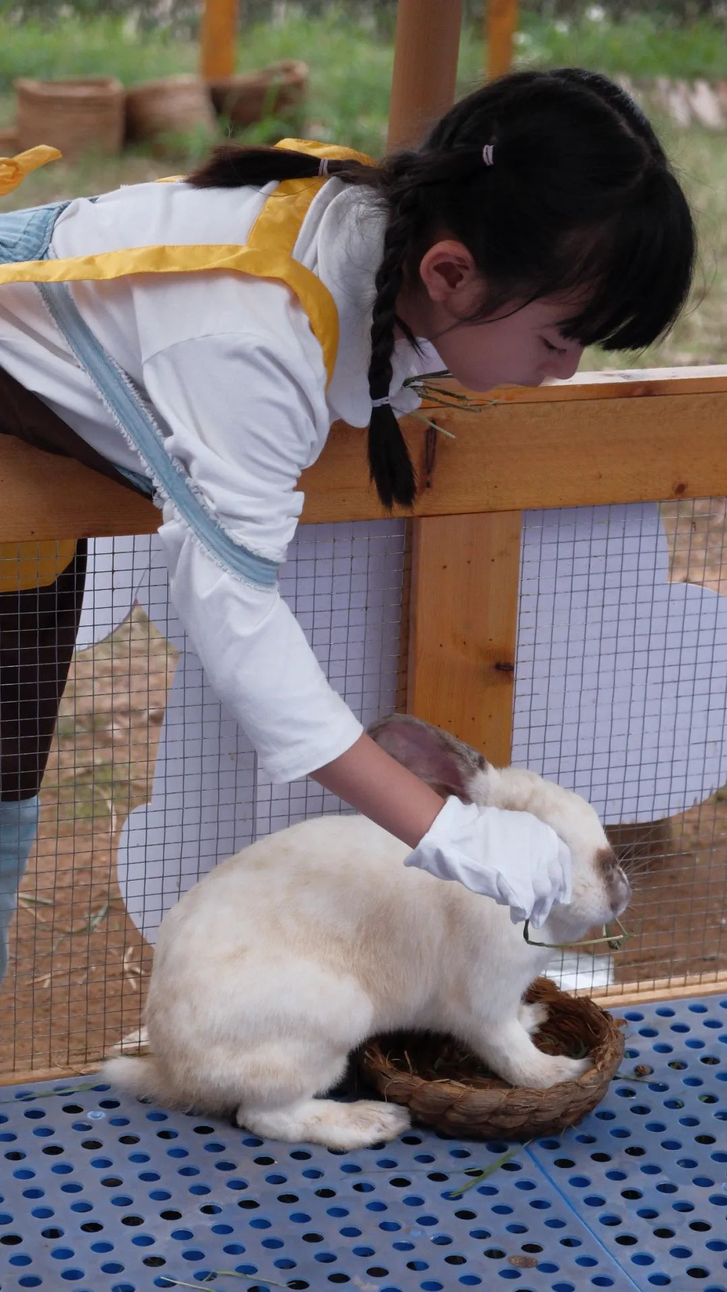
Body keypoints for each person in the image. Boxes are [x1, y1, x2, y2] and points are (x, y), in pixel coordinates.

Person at [0, 67, 695, 982]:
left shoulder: (378, 234)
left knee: (8, 787)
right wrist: (448, 833)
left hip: (35, 466)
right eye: (559, 338)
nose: (562, 373)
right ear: (450, 271)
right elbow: (235, 623)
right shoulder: (252, 332)